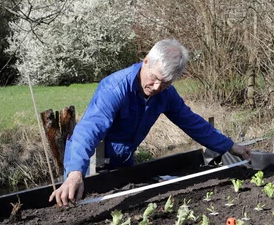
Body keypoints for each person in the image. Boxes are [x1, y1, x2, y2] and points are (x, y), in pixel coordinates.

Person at [49, 39, 252, 207]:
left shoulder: (166, 95)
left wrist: (230, 146)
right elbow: (90, 128)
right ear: (146, 61)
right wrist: (75, 172)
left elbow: (193, 123)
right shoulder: (115, 88)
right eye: (154, 78)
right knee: (76, 205)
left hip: (122, 160)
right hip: (87, 161)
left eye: (165, 83)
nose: (156, 87)